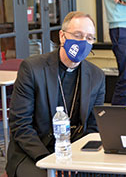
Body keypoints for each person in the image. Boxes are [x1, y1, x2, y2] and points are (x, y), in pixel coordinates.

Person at [6, 11, 105, 177]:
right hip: (33, 152)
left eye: (89, 38)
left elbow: (94, 126)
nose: (83, 42)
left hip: (73, 152)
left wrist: (77, 158)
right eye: (78, 35)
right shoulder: (32, 69)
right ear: (62, 36)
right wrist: (49, 160)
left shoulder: (97, 76)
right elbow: (20, 125)